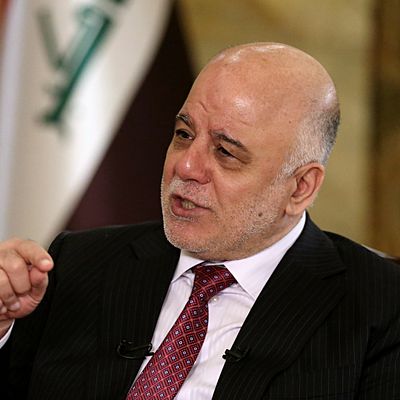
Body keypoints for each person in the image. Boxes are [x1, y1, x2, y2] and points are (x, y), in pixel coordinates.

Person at [0, 42, 399, 399]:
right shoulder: (78, 264)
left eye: (225, 152)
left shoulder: (381, 306)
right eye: (184, 134)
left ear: (300, 188)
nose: (186, 166)